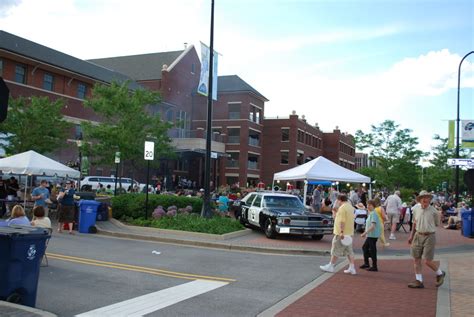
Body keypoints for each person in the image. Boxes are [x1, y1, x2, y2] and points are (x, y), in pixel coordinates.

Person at [407, 190, 445, 289]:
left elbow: (437, 224)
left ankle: (440, 273)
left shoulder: (434, 211)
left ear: (429, 199)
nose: (425, 199)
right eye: (423, 198)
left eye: (427, 197)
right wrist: (411, 235)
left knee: (428, 261)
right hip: (418, 235)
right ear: (419, 200)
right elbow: (414, 223)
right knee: (416, 259)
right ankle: (419, 281)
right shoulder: (415, 209)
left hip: (430, 236)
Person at [320, 194, 357, 275]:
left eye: (337, 200)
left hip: (341, 233)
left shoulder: (342, 208)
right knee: (349, 251)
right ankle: (352, 267)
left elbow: (342, 221)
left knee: (336, 249)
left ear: (340, 200)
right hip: (349, 233)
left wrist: (341, 232)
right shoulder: (350, 207)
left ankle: (331, 265)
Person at [360, 200, 381, 271]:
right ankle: (367, 263)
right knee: (365, 248)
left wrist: (365, 233)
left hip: (372, 235)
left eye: (370, 205)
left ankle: (374, 266)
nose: (368, 206)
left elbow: (373, 226)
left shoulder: (373, 214)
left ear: (373, 206)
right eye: (367, 205)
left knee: (371, 249)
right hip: (371, 235)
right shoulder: (371, 213)